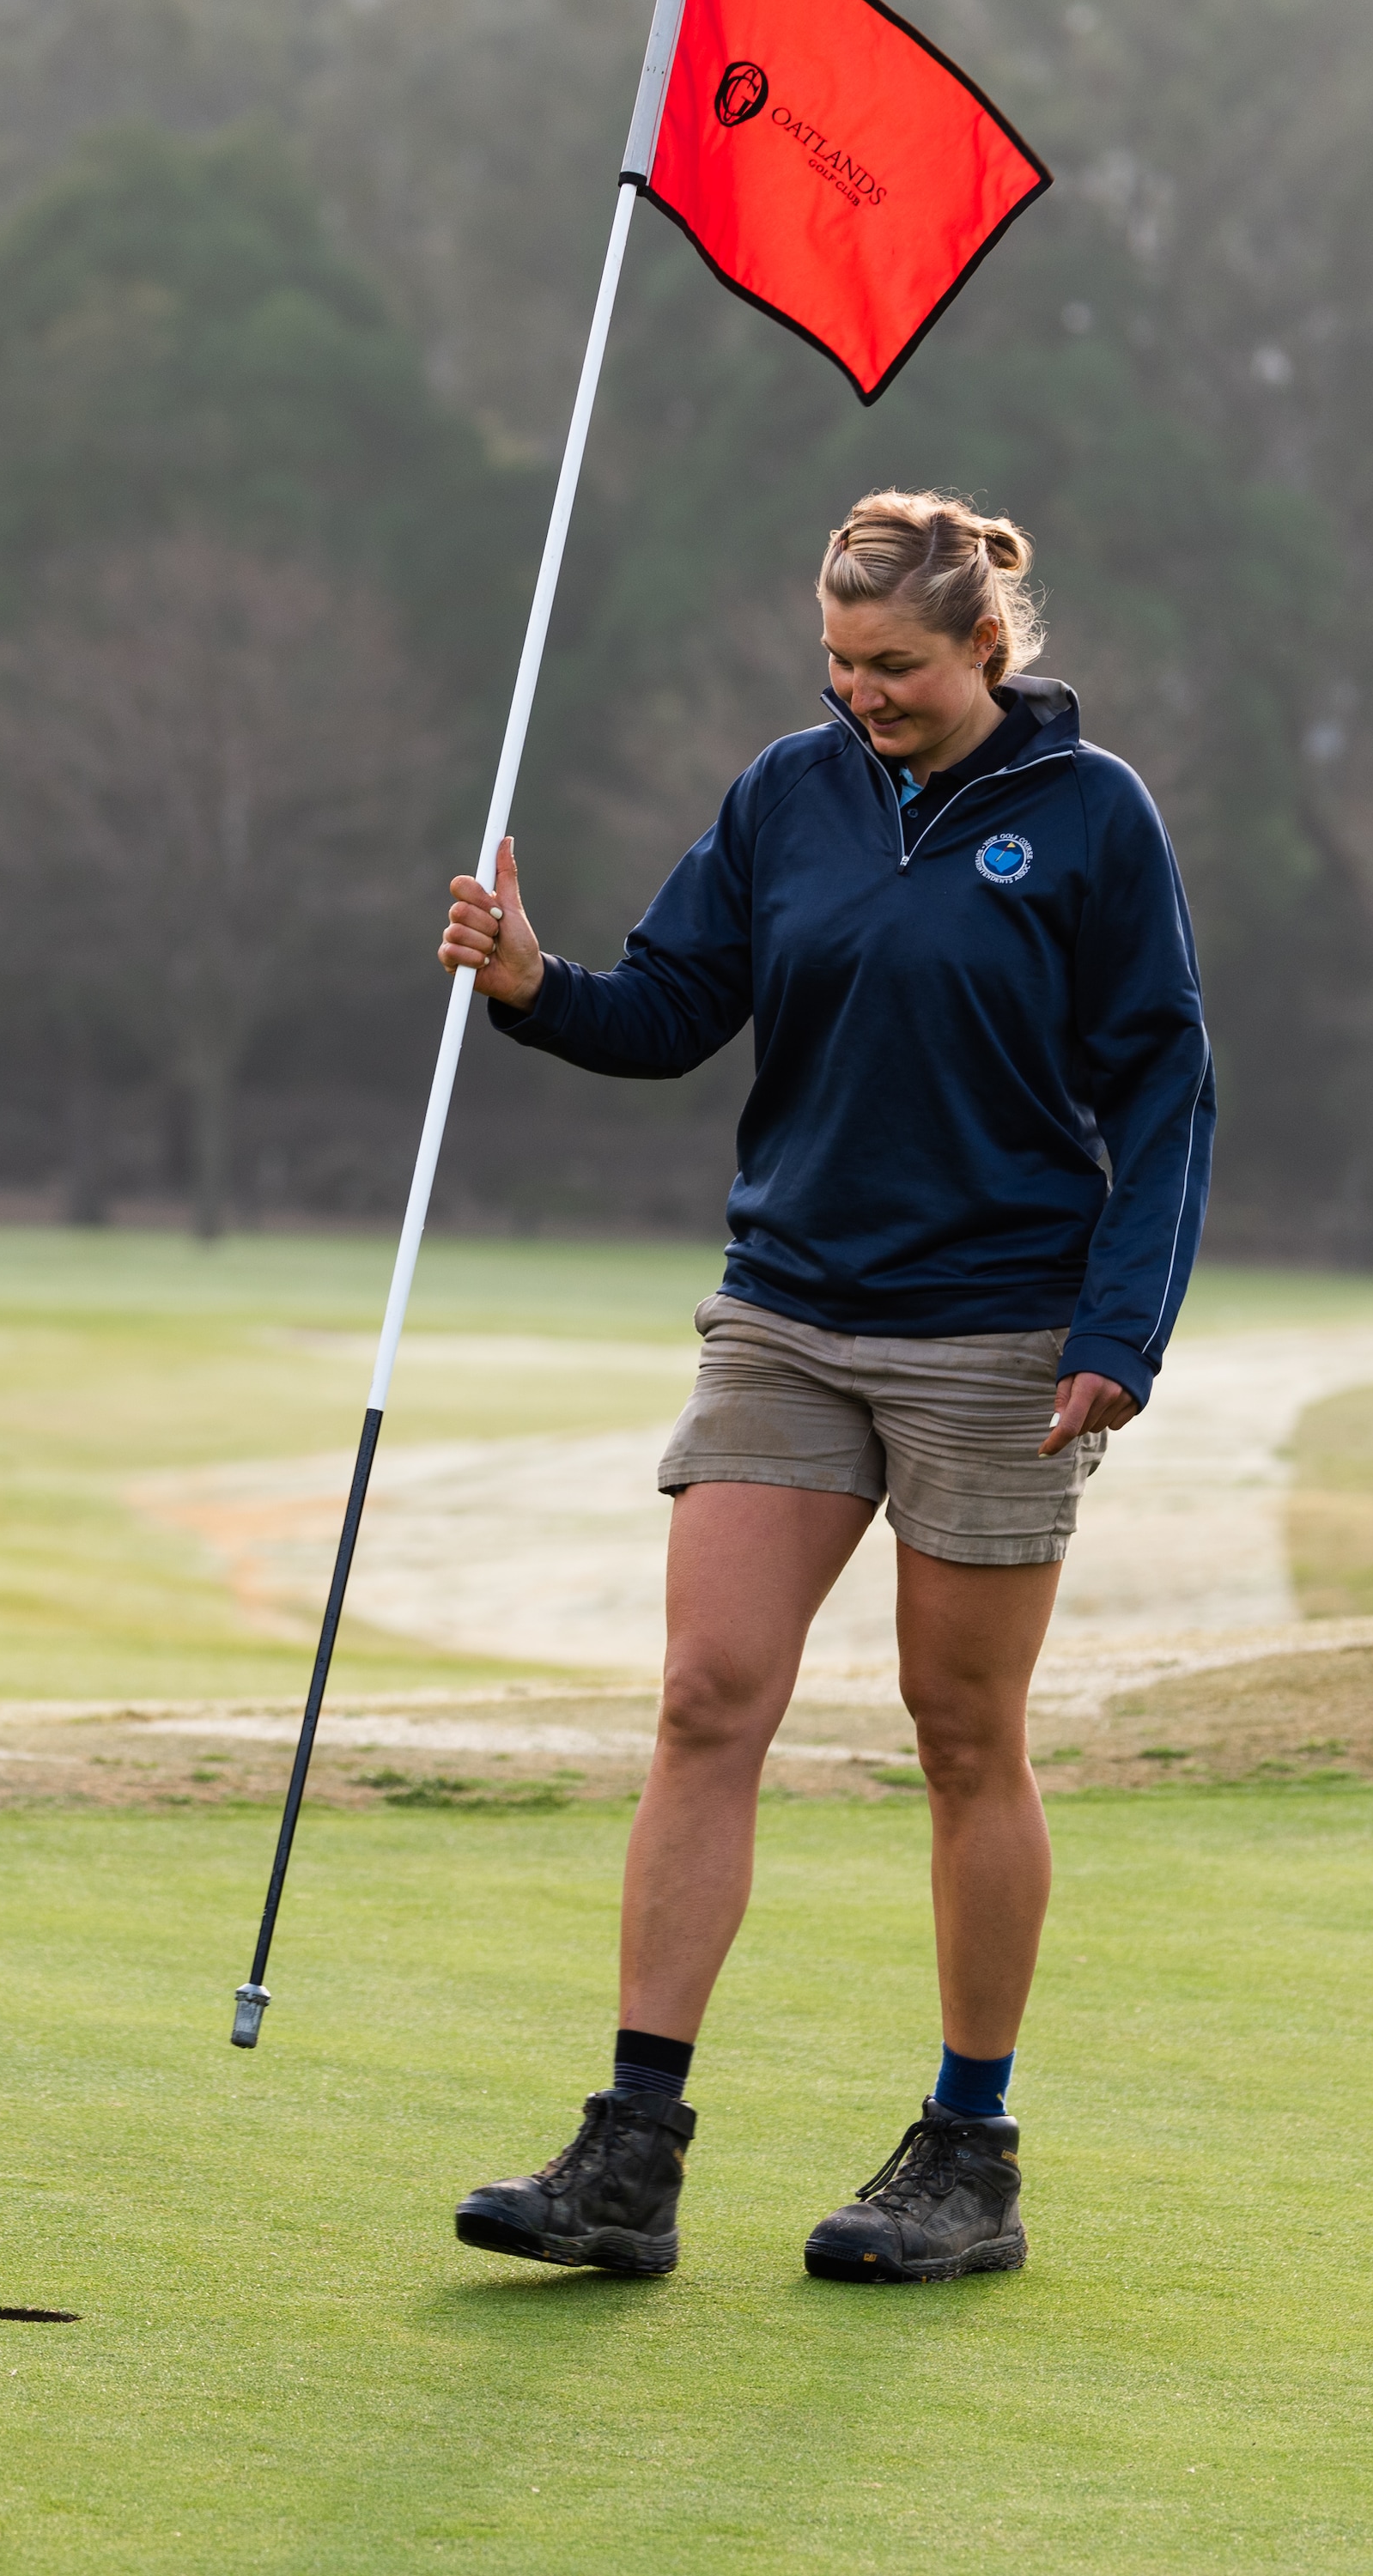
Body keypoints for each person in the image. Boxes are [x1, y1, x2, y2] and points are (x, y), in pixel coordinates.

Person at [438, 490, 1212, 2285]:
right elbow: (669, 1008)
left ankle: (969, 2149)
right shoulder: (785, 792)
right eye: (839, 663)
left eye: (896, 667)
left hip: (996, 1336)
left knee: (961, 1738)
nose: (862, 693)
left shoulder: (1091, 822)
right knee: (708, 1695)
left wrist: (1119, 1335)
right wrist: (535, 982)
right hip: (785, 1308)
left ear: (981, 652)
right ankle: (629, 2154)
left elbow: (1166, 1089)